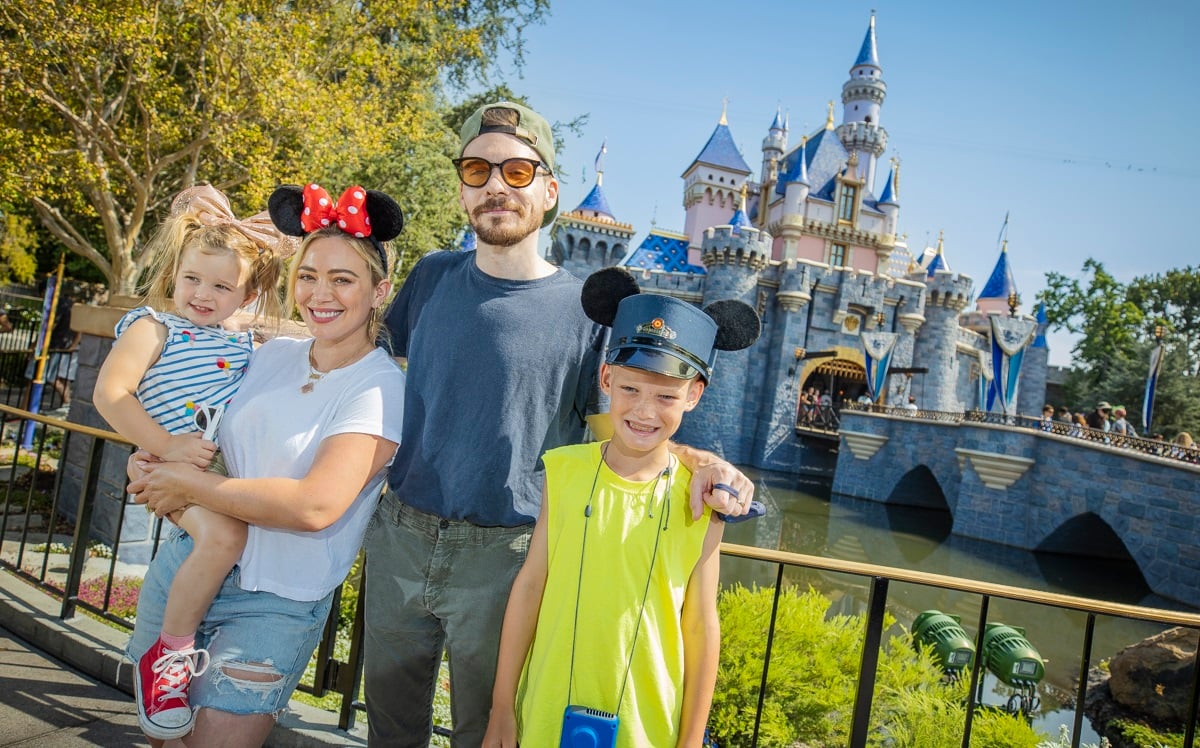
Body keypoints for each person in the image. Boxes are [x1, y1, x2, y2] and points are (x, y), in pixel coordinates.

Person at [364, 100, 754, 746]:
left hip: (505, 556)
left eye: (517, 173)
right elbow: (367, 371)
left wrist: (698, 460)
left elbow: (621, 424)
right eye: (478, 171)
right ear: (461, 189)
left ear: (548, 192)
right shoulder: (431, 276)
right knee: (391, 727)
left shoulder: (583, 312)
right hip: (401, 533)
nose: (495, 186)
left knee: (485, 732)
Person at [125, 182, 406, 746]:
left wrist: (190, 484)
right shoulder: (268, 354)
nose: (320, 293)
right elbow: (202, 430)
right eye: (308, 275)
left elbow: (315, 505)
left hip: (273, 602)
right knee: (162, 741)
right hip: (187, 567)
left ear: (380, 292)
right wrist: (155, 459)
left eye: (343, 279)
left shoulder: (379, 387)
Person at [483, 277, 760, 747]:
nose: (644, 411)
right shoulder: (563, 472)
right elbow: (532, 585)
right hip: (545, 711)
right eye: (630, 389)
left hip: (645, 726)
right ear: (607, 378)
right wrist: (501, 708)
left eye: (667, 396)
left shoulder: (703, 500)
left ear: (693, 396)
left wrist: (691, 740)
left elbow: (700, 625)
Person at [95, 185, 288, 740]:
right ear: (175, 273)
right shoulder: (154, 327)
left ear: (247, 294)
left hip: (215, 472)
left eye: (223, 286)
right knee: (226, 537)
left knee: (231, 535)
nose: (203, 294)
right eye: (192, 279)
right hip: (169, 465)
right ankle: (170, 659)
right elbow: (112, 394)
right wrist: (167, 446)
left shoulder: (243, 341)